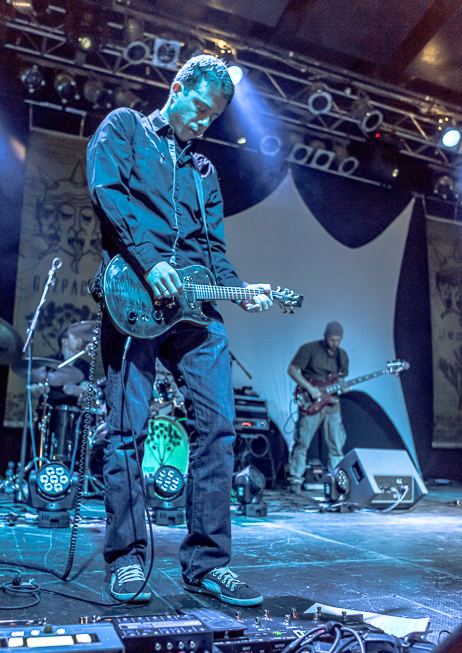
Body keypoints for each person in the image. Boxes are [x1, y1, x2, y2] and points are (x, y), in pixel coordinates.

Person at [86, 55, 273, 605]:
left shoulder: (205, 173)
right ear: (176, 88)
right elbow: (108, 193)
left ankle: (207, 564)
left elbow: (213, 250)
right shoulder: (125, 128)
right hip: (133, 296)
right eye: (199, 108)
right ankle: (126, 559)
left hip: (195, 313)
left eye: (214, 117)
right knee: (125, 432)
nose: (203, 122)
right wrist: (149, 262)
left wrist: (240, 289)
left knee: (219, 430)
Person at [288, 321, 349, 494]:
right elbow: (292, 369)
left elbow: (341, 378)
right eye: (332, 339)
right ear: (325, 336)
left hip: (332, 405)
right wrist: (309, 388)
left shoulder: (342, 355)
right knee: (302, 443)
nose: (335, 343)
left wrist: (343, 386)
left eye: (338, 340)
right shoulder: (309, 349)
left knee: (336, 445)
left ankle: (336, 483)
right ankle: (295, 480)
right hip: (311, 401)